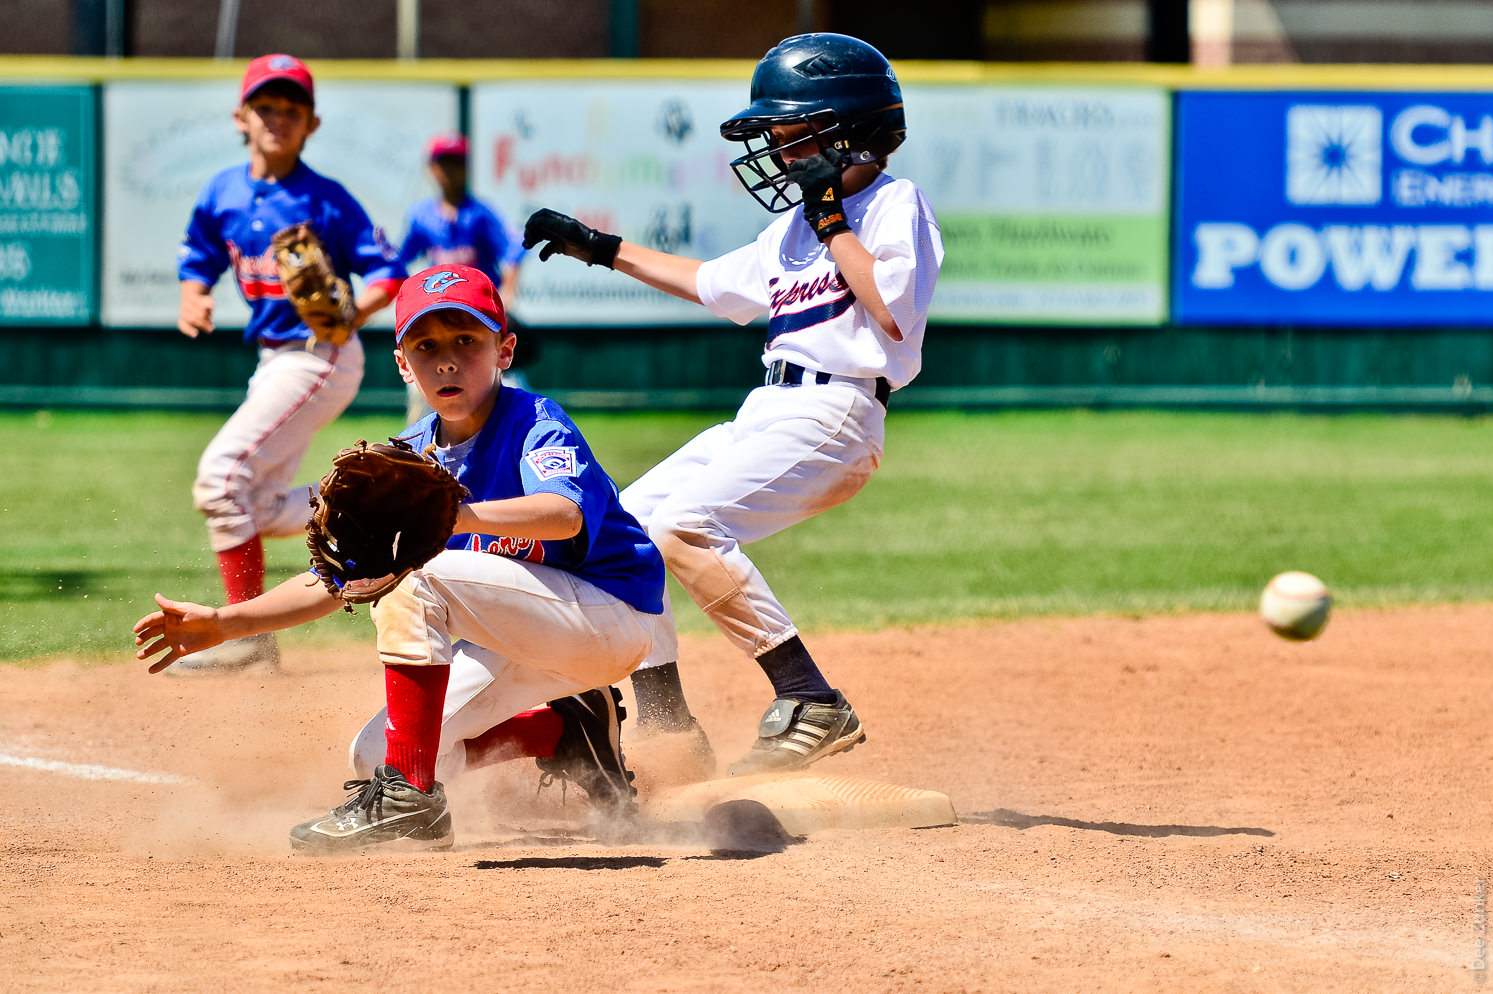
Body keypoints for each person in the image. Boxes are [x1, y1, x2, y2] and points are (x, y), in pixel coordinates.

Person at [134, 264, 666, 854]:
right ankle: (566, 729)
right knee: (371, 756)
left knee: (420, 577)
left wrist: (450, 517)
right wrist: (226, 622)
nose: (447, 360)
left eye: (467, 340)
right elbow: (337, 577)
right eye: (426, 344)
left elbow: (563, 514)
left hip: (608, 618)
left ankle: (411, 803)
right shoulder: (409, 456)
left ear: (504, 350)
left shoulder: (534, 422)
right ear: (402, 363)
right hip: (519, 638)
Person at [523, 33, 944, 776]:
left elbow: (892, 310)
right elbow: (712, 283)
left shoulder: (891, 203)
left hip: (839, 415)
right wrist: (601, 247)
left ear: (845, 128)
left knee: (687, 524)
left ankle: (810, 697)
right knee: (621, 531)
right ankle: (666, 722)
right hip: (768, 409)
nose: (778, 150)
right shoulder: (791, 230)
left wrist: (832, 221)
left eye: (790, 132)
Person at [174, 53, 405, 673]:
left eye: (291, 109)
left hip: (319, 355)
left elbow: (388, 271)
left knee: (219, 478)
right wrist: (193, 291)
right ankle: (382, 506)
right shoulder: (223, 191)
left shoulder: (325, 200)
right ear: (241, 116)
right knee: (252, 501)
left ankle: (249, 636)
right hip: (272, 358)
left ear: (312, 124)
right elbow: (198, 250)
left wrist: (356, 313)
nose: (277, 118)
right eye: (265, 107)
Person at [399, 132, 528, 424]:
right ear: (431, 168)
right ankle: (419, 458)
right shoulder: (421, 215)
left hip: (479, 317)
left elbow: (513, 251)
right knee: (423, 398)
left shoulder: (480, 214)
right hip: (440, 311)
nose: (450, 169)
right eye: (443, 162)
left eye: (457, 162)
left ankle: (525, 432)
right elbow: (399, 258)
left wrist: (508, 295)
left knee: (506, 388)